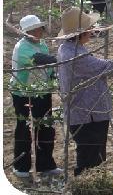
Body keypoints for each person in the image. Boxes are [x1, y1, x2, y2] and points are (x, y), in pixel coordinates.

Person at [56, 7, 113, 175]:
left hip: (88, 113)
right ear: (80, 32)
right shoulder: (74, 55)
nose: (92, 31)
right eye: (89, 28)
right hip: (87, 115)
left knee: (94, 157)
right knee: (90, 161)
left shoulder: (70, 48)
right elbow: (106, 67)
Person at [9, 15, 62, 178]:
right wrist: (61, 59)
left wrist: (55, 77)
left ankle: (45, 165)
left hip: (42, 91)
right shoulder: (22, 47)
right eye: (36, 29)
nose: (40, 31)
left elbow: (49, 69)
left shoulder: (42, 44)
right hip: (23, 93)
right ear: (28, 32)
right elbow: (40, 60)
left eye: (39, 28)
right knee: (25, 129)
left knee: (46, 127)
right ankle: (21, 168)